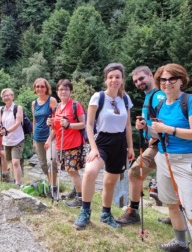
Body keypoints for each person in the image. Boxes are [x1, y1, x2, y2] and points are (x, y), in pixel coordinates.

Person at [151, 63, 192, 251]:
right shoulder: (162, 104)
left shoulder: (191, 100)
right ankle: (180, 243)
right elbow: (164, 133)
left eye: (172, 79)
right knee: (171, 204)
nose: (167, 83)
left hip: (188, 162)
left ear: (181, 80)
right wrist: (151, 132)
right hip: (165, 159)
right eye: (163, 79)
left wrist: (167, 129)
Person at [74, 63, 134, 230]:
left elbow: (128, 125)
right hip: (101, 142)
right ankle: (85, 212)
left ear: (122, 79)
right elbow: (89, 125)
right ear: (105, 79)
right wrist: (93, 148)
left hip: (120, 143)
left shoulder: (126, 99)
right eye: (110, 77)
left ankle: (106, 214)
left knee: (110, 182)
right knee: (90, 172)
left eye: (117, 77)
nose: (114, 80)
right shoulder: (98, 97)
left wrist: (130, 147)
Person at [116, 66, 166, 225]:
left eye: (141, 79)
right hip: (157, 143)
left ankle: (133, 212)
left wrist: (154, 136)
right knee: (171, 181)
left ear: (151, 75)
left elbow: (167, 122)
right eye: (136, 81)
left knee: (135, 172)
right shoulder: (150, 96)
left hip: (161, 145)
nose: (139, 83)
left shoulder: (158, 96)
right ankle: (175, 215)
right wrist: (145, 127)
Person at [46, 79, 85, 207]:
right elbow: (57, 128)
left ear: (70, 91)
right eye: (61, 89)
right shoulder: (57, 107)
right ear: (57, 91)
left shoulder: (75, 105)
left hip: (74, 144)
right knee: (70, 171)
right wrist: (50, 127)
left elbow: (84, 124)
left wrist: (69, 125)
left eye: (66, 89)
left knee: (72, 171)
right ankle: (75, 191)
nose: (63, 91)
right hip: (61, 145)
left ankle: (81, 198)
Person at [31, 78, 58, 196]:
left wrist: (49, 139)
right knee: (43, 164)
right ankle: (50, 183)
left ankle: (54, 187)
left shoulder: (52, 101)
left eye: (42, 86)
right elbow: (34, 121)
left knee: (51, 161)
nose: (40, 89)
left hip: (50, 136)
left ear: (47, 88)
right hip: (38, 137)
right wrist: (33, 138)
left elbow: (56, 120)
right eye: (37, 86)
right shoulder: (34, 103)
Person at [0, 88, 24, 187]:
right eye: (4, 96)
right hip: (6, 140)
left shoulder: (18, 108)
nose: (6, 97)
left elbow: (18, 123)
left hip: (17, 139)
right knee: (11, 162)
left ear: (12, 96)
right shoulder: (1, 109)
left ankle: (18, 183)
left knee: (16, 161)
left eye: (8, 95)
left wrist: (7, 131)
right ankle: (15, 179)